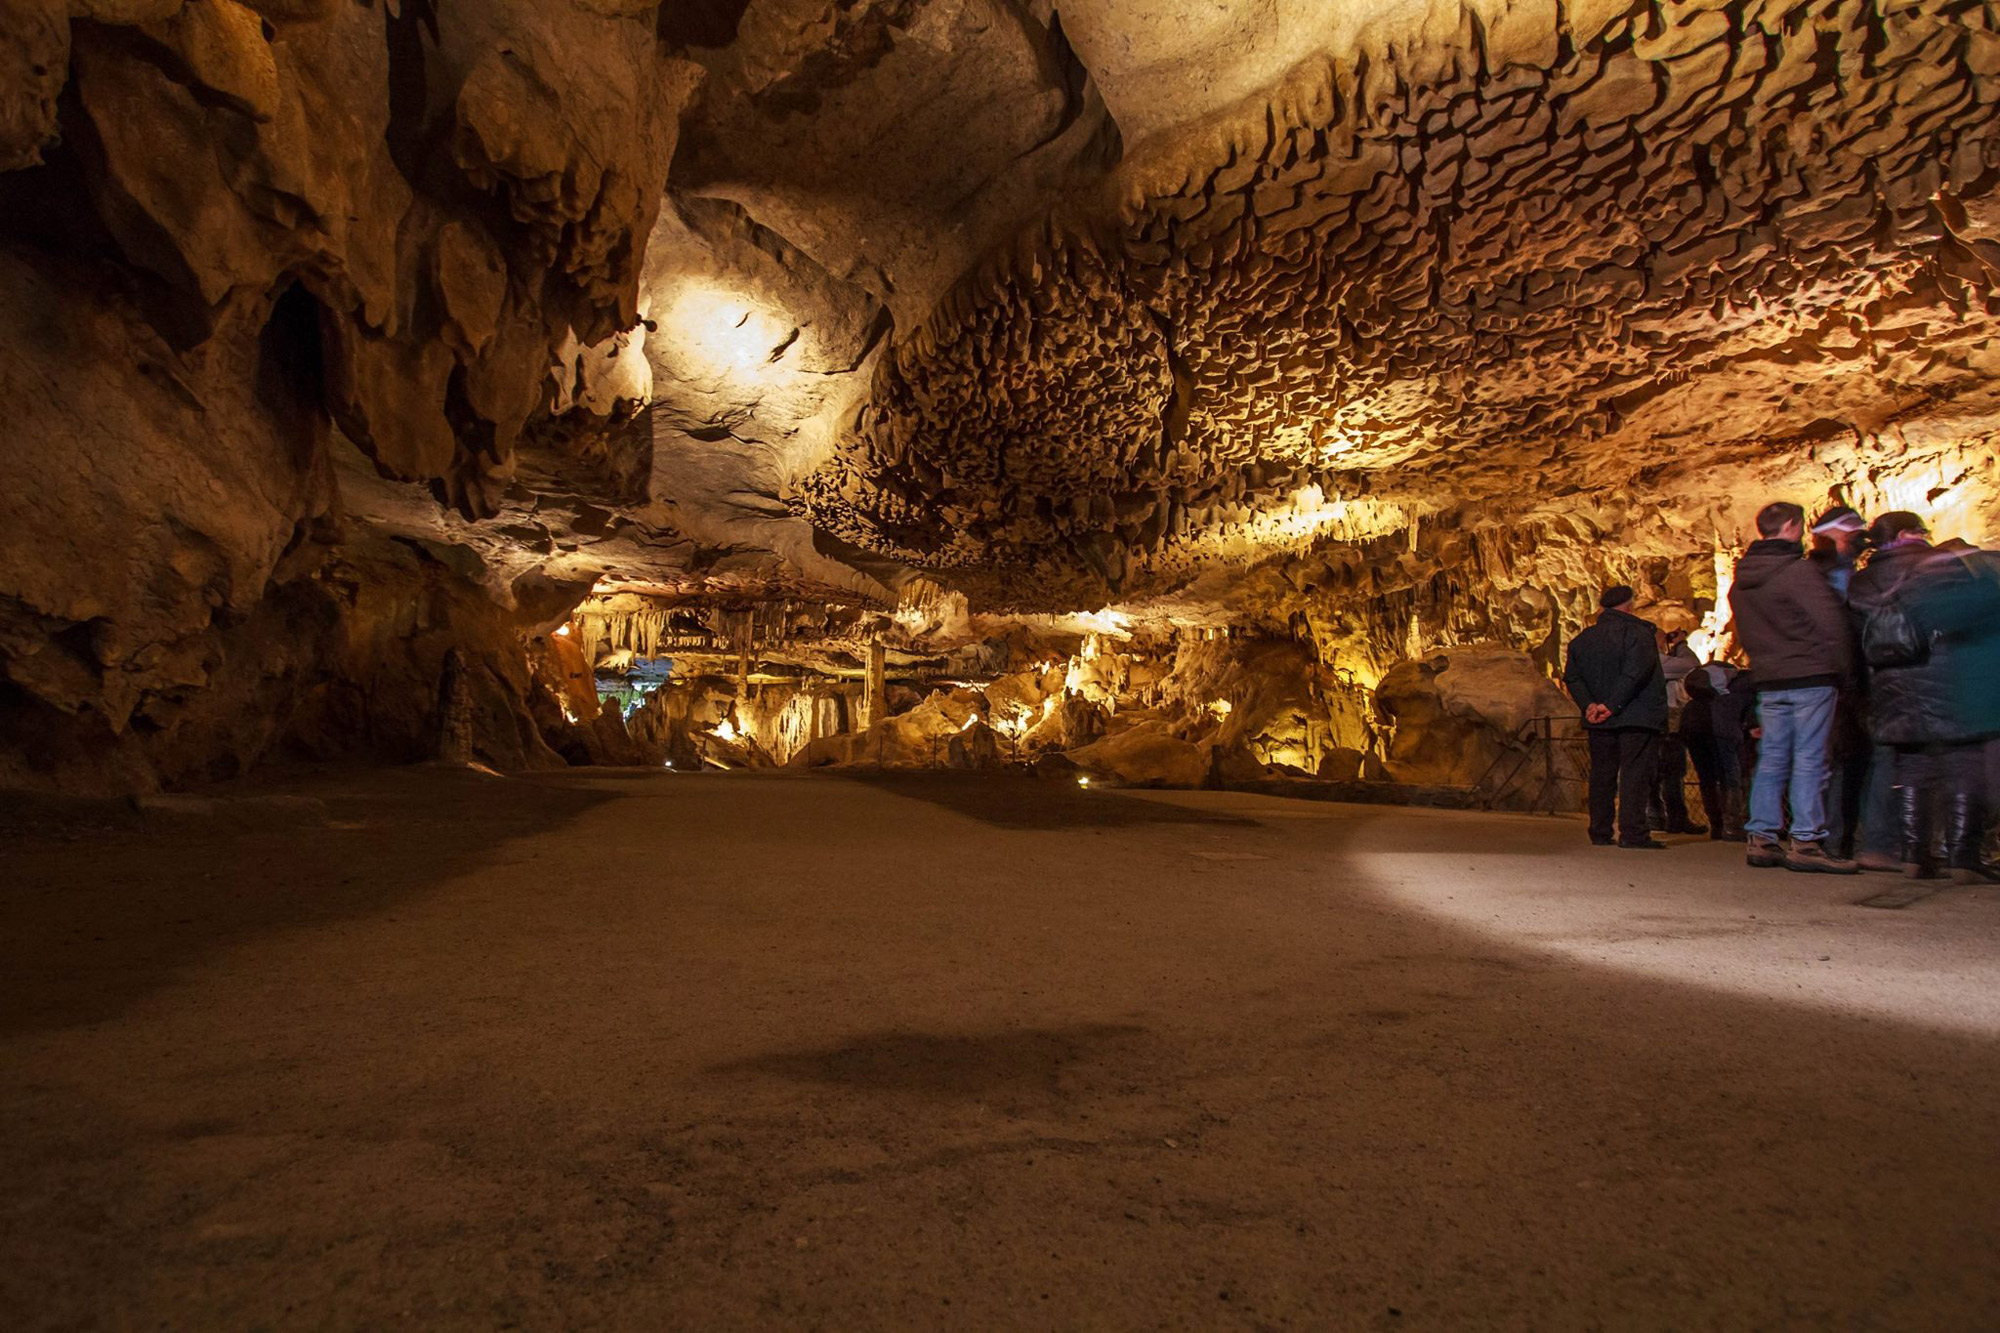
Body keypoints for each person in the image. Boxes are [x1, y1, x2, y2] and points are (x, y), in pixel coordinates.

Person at [1851, 514, 1993, 880]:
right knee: (1964, 764)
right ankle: (1963, 857)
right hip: (1946, 677)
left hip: (1891, 684)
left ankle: (1915, 855)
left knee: (1911, 765)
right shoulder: (1938, 566)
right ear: (1907, 534)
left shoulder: (1862, 581)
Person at [1728, 501, 1858, 872]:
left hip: (1768, 679)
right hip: (1810, 676)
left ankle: (1762, 837)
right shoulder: (1797, 572)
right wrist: (1843, 673)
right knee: (1810, 758)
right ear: (1790, 526)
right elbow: (1830, 624)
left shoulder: (1741, 582)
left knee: (1771, 759)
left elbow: (1747, 634)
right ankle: (1806, 840)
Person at [1563, 585, 1670, 849]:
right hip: (1636, 715)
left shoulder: (1583, 640)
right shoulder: (1640, 634)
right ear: (1630, 605)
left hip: (1599, 719)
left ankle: (1600, 831)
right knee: (1635, 774)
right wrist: (1612, 704)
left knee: (1602, 774)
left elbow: (1573, 678)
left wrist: (1589, 705)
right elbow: (1636, 673)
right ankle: (1633, 832)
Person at [1809, 505, 1874, 858]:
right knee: (1830, 760)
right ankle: (1831, 837)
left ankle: (1836, 836)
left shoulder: (1843, 572)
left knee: (1840, 760)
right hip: (1832, 677)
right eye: (1848, 531)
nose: (1854, 537)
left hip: (1839, 677)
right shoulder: (1819, 577)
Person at [1683, 661, 1751, 840]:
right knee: (1731, 777)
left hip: (1694, 726)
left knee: (1707, 778)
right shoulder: (1743, 684)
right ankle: (1732, 826)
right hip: (1724, 729)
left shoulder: (1698, 693)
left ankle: (1716, 825)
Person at [1649, 630, 1706, 834]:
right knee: (1672, 772)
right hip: (1666, 722)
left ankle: (1654, 816)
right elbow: (1691, 664)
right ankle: (1676, 818)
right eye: (1661, 636)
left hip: (1649, 723)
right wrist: (1681, 644)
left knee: (1652, 771)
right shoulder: (1657, 661)